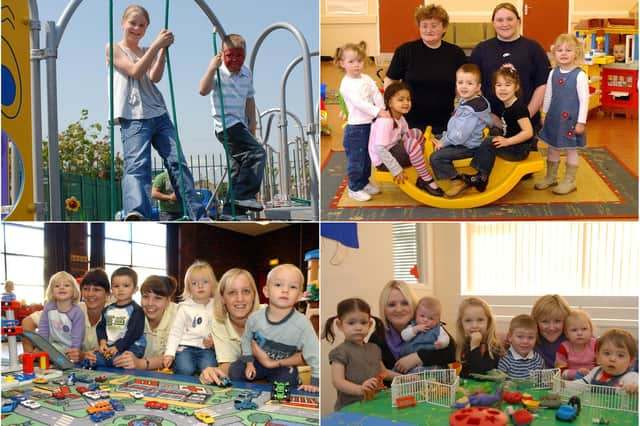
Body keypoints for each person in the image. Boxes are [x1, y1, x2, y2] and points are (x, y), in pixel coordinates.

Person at [108, 5, 204, 221]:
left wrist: (161, 51)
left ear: (147, 28)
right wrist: (156, 47)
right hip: (133, 116)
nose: (137, 28)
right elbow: (134, 71)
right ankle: (137, 212)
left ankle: (196, 212)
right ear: (122, 23)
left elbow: (154, 77)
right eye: (133, 23)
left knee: (177, 162)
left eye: (142, 25)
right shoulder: (113, 48)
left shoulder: (146, 50)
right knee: (137, 165)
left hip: (158, 113)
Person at [198, 33, 266, 219]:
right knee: (258, 153)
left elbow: (249, 100)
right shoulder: (218, 71)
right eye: (230, 56)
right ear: (222, 54)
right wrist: (212, 67)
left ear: (245, 55)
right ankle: (245, 196)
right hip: (226, 125)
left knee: (238, 167)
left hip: (239, 125)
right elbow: (202, 90)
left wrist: (252, 126)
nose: (235, 60)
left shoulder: (246, 72)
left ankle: (231, 211)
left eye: (239, 56)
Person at [199, 268, 304, 386]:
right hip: (249, 368)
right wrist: (213, 372)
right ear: (223, 298)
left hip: (279, 365)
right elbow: (229, 365)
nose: (240, 299)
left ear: (254, 295)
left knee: (285, 376)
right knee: (236, 371)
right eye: (232, 292)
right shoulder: (219, 323)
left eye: (246, 291)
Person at [384, 4, 467, 134]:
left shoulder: (456, 53)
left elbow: (463, 87)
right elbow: (390, 80)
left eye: (434, 26)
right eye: (424, 25)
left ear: (444, 27)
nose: (429, 30)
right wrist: (390, 109)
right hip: (409, 123)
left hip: (446, 123)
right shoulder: (405, 51)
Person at [238, 264, 319, 392]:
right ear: (266, 291)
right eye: (278, 285)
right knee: (235, 371)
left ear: (299, 296)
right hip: (256, 362)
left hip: (283, 366)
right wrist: (248, 362)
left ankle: (291, 385)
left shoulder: (303, 325)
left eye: (292, 287)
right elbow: (246, 340)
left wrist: (316, 383)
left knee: (285, 386)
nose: (285, 290)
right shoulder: (254, 318)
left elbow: (315, 355)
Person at [471, 2, 550, 132]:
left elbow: (542, 84)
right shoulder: (481, 49)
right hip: (490, 122)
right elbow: (473, 87)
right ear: (493, 23)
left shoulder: (534, 48)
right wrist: (491, 118)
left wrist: (525, 117)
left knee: (525, 152)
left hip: (527, 122)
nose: (505, 24)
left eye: (509, 19)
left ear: (518, 21)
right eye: (500, 20)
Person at [462, 66, 536, 192]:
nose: (502, 89)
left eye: (507, 85)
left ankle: (481, 177)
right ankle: (482, 160)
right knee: (492, 132)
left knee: (489, 141)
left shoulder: (518, 108)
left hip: (519, 150)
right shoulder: (507, 105)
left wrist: (507, 141)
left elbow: (528, 132)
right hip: (513, 142)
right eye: (499, 85)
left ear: (516, 87)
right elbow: (505, 125)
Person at [536, 34, 589, 195]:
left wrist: (581, 122)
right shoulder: (553, 73)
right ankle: (551, 176)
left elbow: (584, 100)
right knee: (553, 148)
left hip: (571, 121)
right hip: (554, 118)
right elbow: (548, 94)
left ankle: (569, 180)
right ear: (554, 53)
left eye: (568, 50)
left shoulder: (580, 75)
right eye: (559, 50)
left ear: (577, 53)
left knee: (571, 149)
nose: (563, 53)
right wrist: (544, 113)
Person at [429, 63, 493, 197]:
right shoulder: (469, 100)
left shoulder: (471, 110)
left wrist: (444, 141)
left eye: (469, 83)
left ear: (478, 87)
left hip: (467, 146)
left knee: (436, 157)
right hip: (461, 139)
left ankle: (457, 181)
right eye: (460, 82)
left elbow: (460, 136)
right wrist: (445, 136)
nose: (464, 86)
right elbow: (457, 126)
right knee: (435, 137)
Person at [368, 82, 443, 196]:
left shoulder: (400, 117)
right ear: (390, 103)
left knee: (416, 132)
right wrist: (396, 170)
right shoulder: (386, 121)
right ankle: (426, 180)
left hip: (394, 150)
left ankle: (421, 165)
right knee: (412, 143)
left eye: (408, 99)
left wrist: (429, 139)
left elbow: (405, 135)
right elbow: (380, 149)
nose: (406, 103)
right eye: (401, 100)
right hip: (383, 161)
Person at [22, 268, 111, 364]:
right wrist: (29, 354)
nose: (90, 294)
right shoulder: (73, 308)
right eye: (86, 289)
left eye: (96, 290)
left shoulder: (115, 314)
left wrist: (83, 355)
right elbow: (27, 322)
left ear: (107, 293)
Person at [323, 298, 398, 411]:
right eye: (351, 323)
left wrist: (404, 377)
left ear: (370, 324)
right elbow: (338, 381)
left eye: (363, 322)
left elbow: (383, 372)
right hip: (350, 408)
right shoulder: (340, 352)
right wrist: (359, 389)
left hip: (375, 404)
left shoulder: (374, 348)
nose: (358, 327)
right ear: (339, 325)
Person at [335, 41, 387, 202]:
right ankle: (354, 187)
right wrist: (377, 111)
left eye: (359, 61)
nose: (356, 65)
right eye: (351, 62)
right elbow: (359, 103)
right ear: (342, 63)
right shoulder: (346, 84)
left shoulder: (366, 78)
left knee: (367, 157)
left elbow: (376, 94)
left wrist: (382, 108)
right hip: (356, 129)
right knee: (356, 160)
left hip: (370, 125)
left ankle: (364, 182)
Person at [369, 280, 456, 374]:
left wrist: (418, 357)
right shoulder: (378, 337)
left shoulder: (429, 325)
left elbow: (451, 352)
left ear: (414, 304)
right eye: (392, 305)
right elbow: (374, 372)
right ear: (384, 309)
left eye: (405, 303)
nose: (399, 309)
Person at [112, 275, 178, 370]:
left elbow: (177, 356)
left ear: (168, 301)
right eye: (145, 296)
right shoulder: (132, 314)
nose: (150, 303)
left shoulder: (179, 315)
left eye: (158, 298)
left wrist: (141, 363)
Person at [164, 261, 217, 376]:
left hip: (206, 348)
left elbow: (221, 329)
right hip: (185, 347)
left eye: (205, 282)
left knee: (209, 369)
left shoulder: (216, 306)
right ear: (188, 288)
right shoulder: (184, 307)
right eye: (194, 283)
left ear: (212, 285)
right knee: (185, 369)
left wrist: (213, 341)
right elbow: (175, 332)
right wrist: (170, 353)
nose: (200, 286)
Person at [95, 267, 146, 367]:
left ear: (135, 289)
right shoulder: (108, 310)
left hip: (133, 346)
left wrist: (117, 347)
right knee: (94, 358)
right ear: (111, 289)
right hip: (112, 346)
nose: (121, 289)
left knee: (118, 360)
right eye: (116, 286)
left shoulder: (136, 310)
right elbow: (101, 328)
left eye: (126, 286)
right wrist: (103, 343)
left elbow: (133, 333)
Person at [37, 271, 85, 355]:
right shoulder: (49, 307)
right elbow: (43, 328)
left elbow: (77, 336)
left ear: (74, 290)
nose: (61, 288)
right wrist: (41, 346)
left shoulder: (76, 312)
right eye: (57, 286)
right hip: (53, 346)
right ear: (52, 291)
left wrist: (74, 351)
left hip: (71, 349)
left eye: (66, 285)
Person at [576, 329, 638, 393]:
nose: (612, 359)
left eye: (620, 355)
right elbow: (580, 384)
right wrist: (566, 385)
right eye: (607, 353)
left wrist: (634, 388)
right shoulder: (596, 371)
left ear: (631, 361)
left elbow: (636, 385)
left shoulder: (630, 376)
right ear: (598, 357)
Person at [456, 297, 504, 378]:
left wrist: (475, 347)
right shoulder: (460, 347)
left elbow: (479, 374)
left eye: (480, 320)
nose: (474, 325)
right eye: (468, 320)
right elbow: (465, 375)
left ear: (488, 322)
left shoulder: (494, 347)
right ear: (461, 324)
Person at [531, 294, 571, 368]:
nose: (551, 328)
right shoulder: (529, 340)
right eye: (545, 321)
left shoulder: (574, 337)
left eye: (557, 321)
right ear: (535, 322)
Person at [555, 309, 597, 380]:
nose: (579, 333)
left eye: (584, 329)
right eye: (574, 330)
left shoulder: (595, 344)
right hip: (571, 381)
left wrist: (591, 373)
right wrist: (576, 373)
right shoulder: (563, 348)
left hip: (594, 379)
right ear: (567, 333)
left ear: (591, 330)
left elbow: (603, 365)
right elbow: (560, 371)